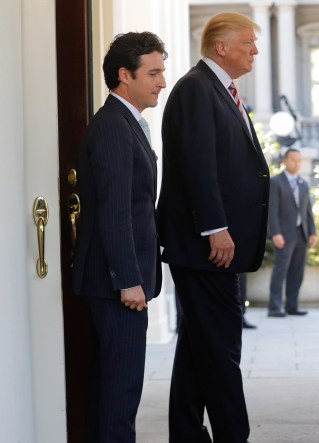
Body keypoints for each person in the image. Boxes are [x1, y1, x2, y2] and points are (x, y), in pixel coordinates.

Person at [157, 11, 270, 443]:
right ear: (221, 47)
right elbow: (197, 167)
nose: (254, 50)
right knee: (221, 349)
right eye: (247, 42)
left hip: (216, 247)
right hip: (207, 248)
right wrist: (215, 228)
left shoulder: (220, 91)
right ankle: (232, 435)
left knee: (198, 346)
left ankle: (186, 434)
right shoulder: (195, 90)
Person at [71, 31, 166, 443]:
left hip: (119, 282)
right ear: (124, 75)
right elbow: (114, 210)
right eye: (154, 72)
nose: (162, 81)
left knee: (116, 390)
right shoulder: (113, 126)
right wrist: (128, 279)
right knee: (120, 393)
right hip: (115, 286)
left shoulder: (129, 122)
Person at [267, 148, 317, 317]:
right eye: (293, 160)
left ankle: (292, 306)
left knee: (297, 271)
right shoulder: (275, 182)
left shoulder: (303, 184)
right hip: (283, 234)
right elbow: (271, 210)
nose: (297, 163)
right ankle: (274, 307)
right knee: (280, 270)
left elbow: (308, 211)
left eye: (299, 160)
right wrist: (275, 233)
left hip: (301, 234)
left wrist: (312, 232)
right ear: (285, 161)